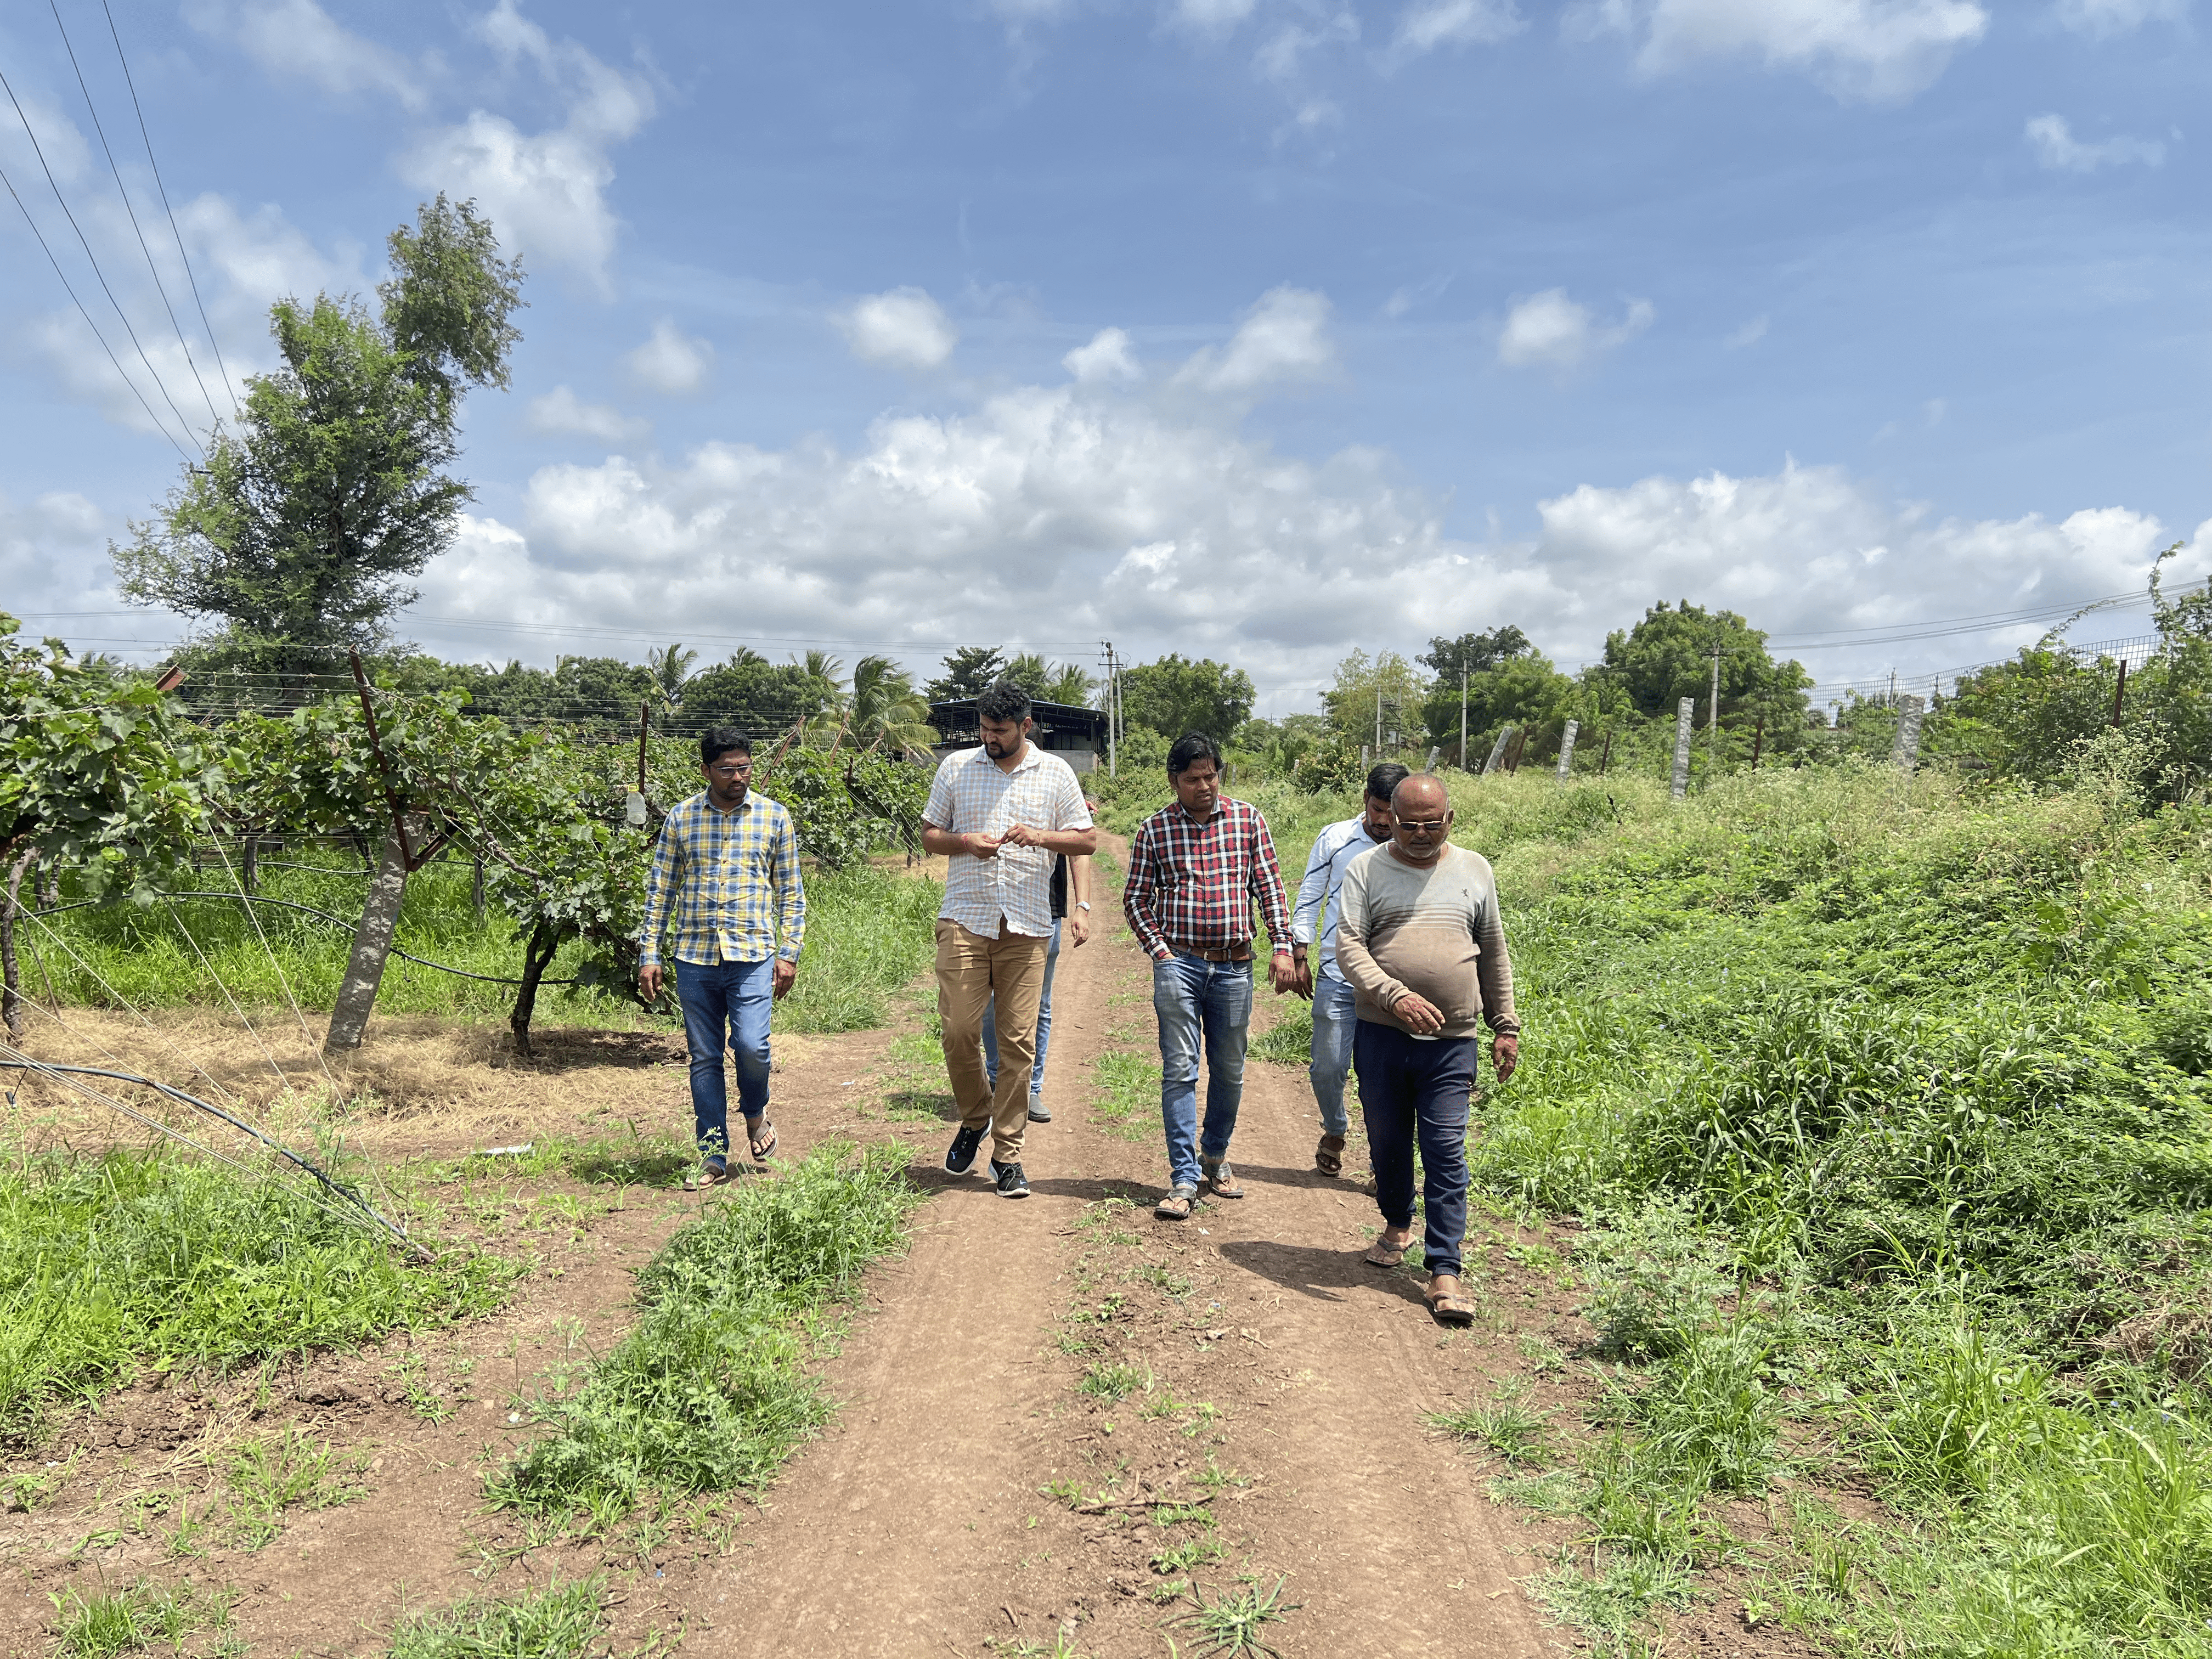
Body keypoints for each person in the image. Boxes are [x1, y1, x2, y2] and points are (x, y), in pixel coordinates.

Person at [1334, 773, 1521, 1325]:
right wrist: (1394, 996)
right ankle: (1397, 1222)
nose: (1420, 833)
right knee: (1389, 1143)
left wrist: (1505, 1024)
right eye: (1408, 823)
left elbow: (1493, 951)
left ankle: (1445, 1269)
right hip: (1382, 1035)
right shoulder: (1366, 870)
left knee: (1445, 1152)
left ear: (1450, 819)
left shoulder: (1474, 870)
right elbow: (1349, 947)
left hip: (1452, 1041)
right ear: (1387, 818)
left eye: (1431, 824)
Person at [919, 681, 1098, 1199]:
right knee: (957, 1029)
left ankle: (1007, 1154)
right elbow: (929, 834)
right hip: (965, 918)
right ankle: (975, 1117)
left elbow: (1086, 839)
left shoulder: (1056, 773)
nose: (989, 738)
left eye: (999, 730)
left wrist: (1040, 836)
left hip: (1027, 925)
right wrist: (964, 842)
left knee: (1018, 1042)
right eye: (984, 728)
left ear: (1026, 726)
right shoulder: (956, 768)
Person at [1123, 732, 1298, 1221]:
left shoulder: (1247, 821)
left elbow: (1270, 888)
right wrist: (1160, 952)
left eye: (1211, 775)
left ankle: (1215, 1157)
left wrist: (1282, 947)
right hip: (1179, 963)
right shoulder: (1154, 831)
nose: (1205, 786)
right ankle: (1182, 1176)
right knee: (1180, 1069)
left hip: (1235, 965)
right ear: (1173, 780)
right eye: (1193, 779)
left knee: (1230, 1069)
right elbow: (1136, 899)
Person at [638, 726, 806, 1189]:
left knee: (752, 1046)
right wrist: (648, 953)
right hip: (694, 957)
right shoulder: (681, 818)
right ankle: (712, 1154)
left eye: (744, 767)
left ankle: (755, 1111)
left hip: (752, 954)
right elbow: (660, 891)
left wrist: (788, 953)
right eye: (727, 769)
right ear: (706, 770)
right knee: (705, 1056)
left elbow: (791, 893)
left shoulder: (774, 817)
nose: (737, 777)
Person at [1289, 763, 1409, 1177]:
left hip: (1394, 982)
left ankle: (1384, 1161)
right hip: (1339, 977)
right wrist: (1298, 953)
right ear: (1366, 800)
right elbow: (1309, 895)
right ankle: (1335, 1129)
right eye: (1379, 810)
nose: (1384, 821)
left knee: (1385, 1076)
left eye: (1392, 813)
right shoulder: (1336, 839)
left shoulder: (1414, 845)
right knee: (1328, 1067)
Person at [981, 850, 1094, 1123]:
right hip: (991, 905)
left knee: (1039, 1005)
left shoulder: (1060, 804)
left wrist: (1083, 906)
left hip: (1045, 909)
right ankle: (997, 1079)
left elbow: (1080, 848)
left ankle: (1030, 1088)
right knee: (990, 1002)